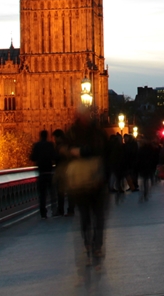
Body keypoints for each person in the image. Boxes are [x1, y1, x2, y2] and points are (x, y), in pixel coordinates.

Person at [65, 106, 107, 262]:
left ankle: (94, 245)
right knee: (88, 216)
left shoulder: (76, 133)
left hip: (92, 180)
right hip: (83, 181)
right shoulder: (76, 133)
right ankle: (91, 244)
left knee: (95, 216)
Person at [29, 130, 56, 219]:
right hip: (49, 172)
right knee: (52, 193)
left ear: (40, 136)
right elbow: (54, 156)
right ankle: (54, 210)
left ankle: (43, 213)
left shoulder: (36, 145)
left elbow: (32, 157)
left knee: (42, 194)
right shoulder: (50, 145)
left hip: (41, 172)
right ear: (47, 136)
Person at [52, 129, 72, 216]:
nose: (54, 140)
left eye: (55, 138)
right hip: (68, 170)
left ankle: (61, 210)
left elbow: (58, 158)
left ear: (59, 137)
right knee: (69, 191)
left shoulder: (60, 147)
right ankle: (70, 210)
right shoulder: (68, 144)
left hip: (62, 170)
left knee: (61, 192)